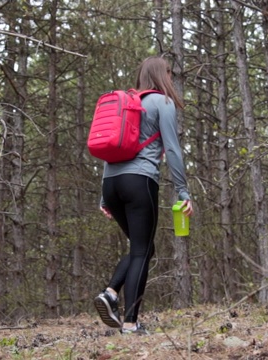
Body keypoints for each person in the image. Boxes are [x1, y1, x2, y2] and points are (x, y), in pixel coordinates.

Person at [94, 56, 194, 335]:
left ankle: (111, 293)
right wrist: (183, 191)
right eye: (170, 74)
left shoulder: (127, 104)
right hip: (139, 182)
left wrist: (104, 196)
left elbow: (110, 149)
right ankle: (130, 323)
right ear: (163, 76)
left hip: (112, 184)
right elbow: (172, 149)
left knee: (144, 248)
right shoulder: (162, 102)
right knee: (141, 250)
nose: (171, 79)